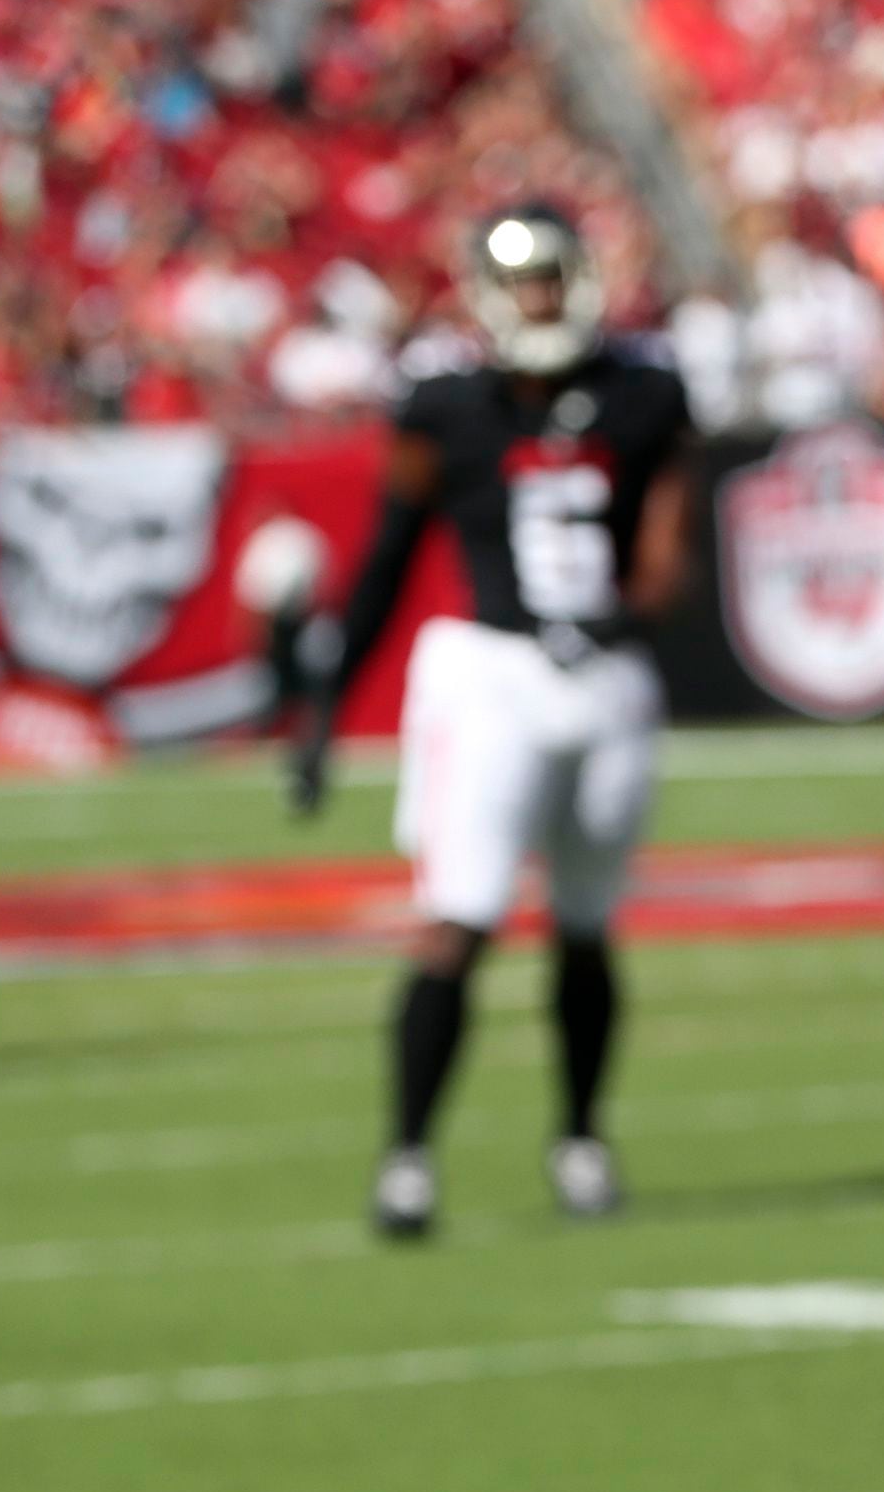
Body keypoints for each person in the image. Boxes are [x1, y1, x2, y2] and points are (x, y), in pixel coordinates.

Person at [289, 204, 696, 1240]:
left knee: (589, 925)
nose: (540, 300)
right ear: (485, 291)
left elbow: (668, 548)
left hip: (608, 681)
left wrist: (628, 607)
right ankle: (409, 1158)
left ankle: (581, 1137)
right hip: (492, 674)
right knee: (457, 916)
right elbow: (386, 558)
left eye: (553, 278)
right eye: (522, 283)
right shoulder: (444, 405)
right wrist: (329, 705)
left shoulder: (645, 392)